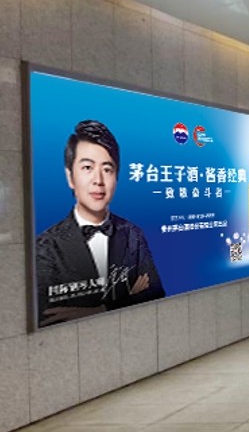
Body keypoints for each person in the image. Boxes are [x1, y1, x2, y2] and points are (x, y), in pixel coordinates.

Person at [35, 120, 165, 327]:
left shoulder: (133, 234)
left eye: (107, 169)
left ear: (116, 177)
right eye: (87, 167)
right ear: (70, 177)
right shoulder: (46, 246)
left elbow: (155, 293)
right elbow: (48, 317)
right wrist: (130, 296)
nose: (98, 180)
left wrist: (100, 309)